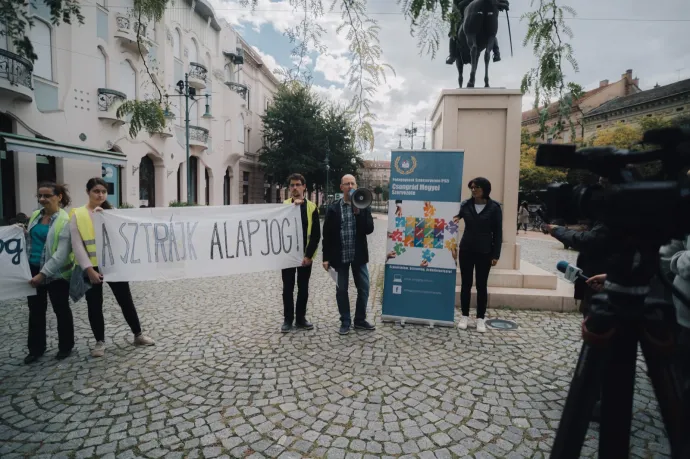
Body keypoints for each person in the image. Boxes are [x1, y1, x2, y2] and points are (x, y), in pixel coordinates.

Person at [70, 178, 155, 357]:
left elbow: (123, 238)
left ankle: (138, 335)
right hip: (91, 268)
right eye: (96, 191)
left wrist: (107, 218)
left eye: (103, 191)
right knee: (94, 305)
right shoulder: (77, 214)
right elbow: (77, 246)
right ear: (88, 192)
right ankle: (99, 342)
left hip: (113, 265)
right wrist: (88, 269)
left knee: (125, 300)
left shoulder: (112, 212)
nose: (100, 195)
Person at [22, 182, 75, 364]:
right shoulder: (36, 215)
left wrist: (43, 274)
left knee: (61, 309)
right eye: (40, 196)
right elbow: (30, 240)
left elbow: (61, 254)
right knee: (35, 311)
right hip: (33, 268)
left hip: (56, 274)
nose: (42, 199)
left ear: (59, 197)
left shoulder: (65, 220)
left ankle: (65, 347)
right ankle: (36, 349)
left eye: (47, 196)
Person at [322, 174, 376, 335]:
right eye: (347, 184)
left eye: (353, 183)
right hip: (340, 256)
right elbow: (327, 235)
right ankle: (345, 321)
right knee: (341, 290)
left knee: (364, 288)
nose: (350, 186)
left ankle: (359, 320)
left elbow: (369, 229)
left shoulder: (363, 205)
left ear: (356, 185)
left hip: (358, 256)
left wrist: (358, 212)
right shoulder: (333, 208)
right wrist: (325, 257)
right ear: (342, 187)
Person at [452, 177, 503, 333]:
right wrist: (455, 218)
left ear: (485, 189)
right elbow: (457, 217)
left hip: (485, 252)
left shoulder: (494, 207)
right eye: (472, 187)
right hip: (466, 249)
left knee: (481, 285)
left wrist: (496, 255)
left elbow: (498, 233)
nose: (473, 190)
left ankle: (481, 318)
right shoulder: (466, 205)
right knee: (466, 284)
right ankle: (465, 316)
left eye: (476, 187)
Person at [280, 173, 321, 333]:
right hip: (287, 256)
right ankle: (287, 320)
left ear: (304, 187)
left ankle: (301, 318)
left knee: (303, 288)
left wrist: (309, 256)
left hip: (305, 255)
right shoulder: (283, 206)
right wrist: (292, 207)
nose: (295, 188)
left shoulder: (312, 208)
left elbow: (316, 235)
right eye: (292, 185)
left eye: (298, 184)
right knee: (287, 288)